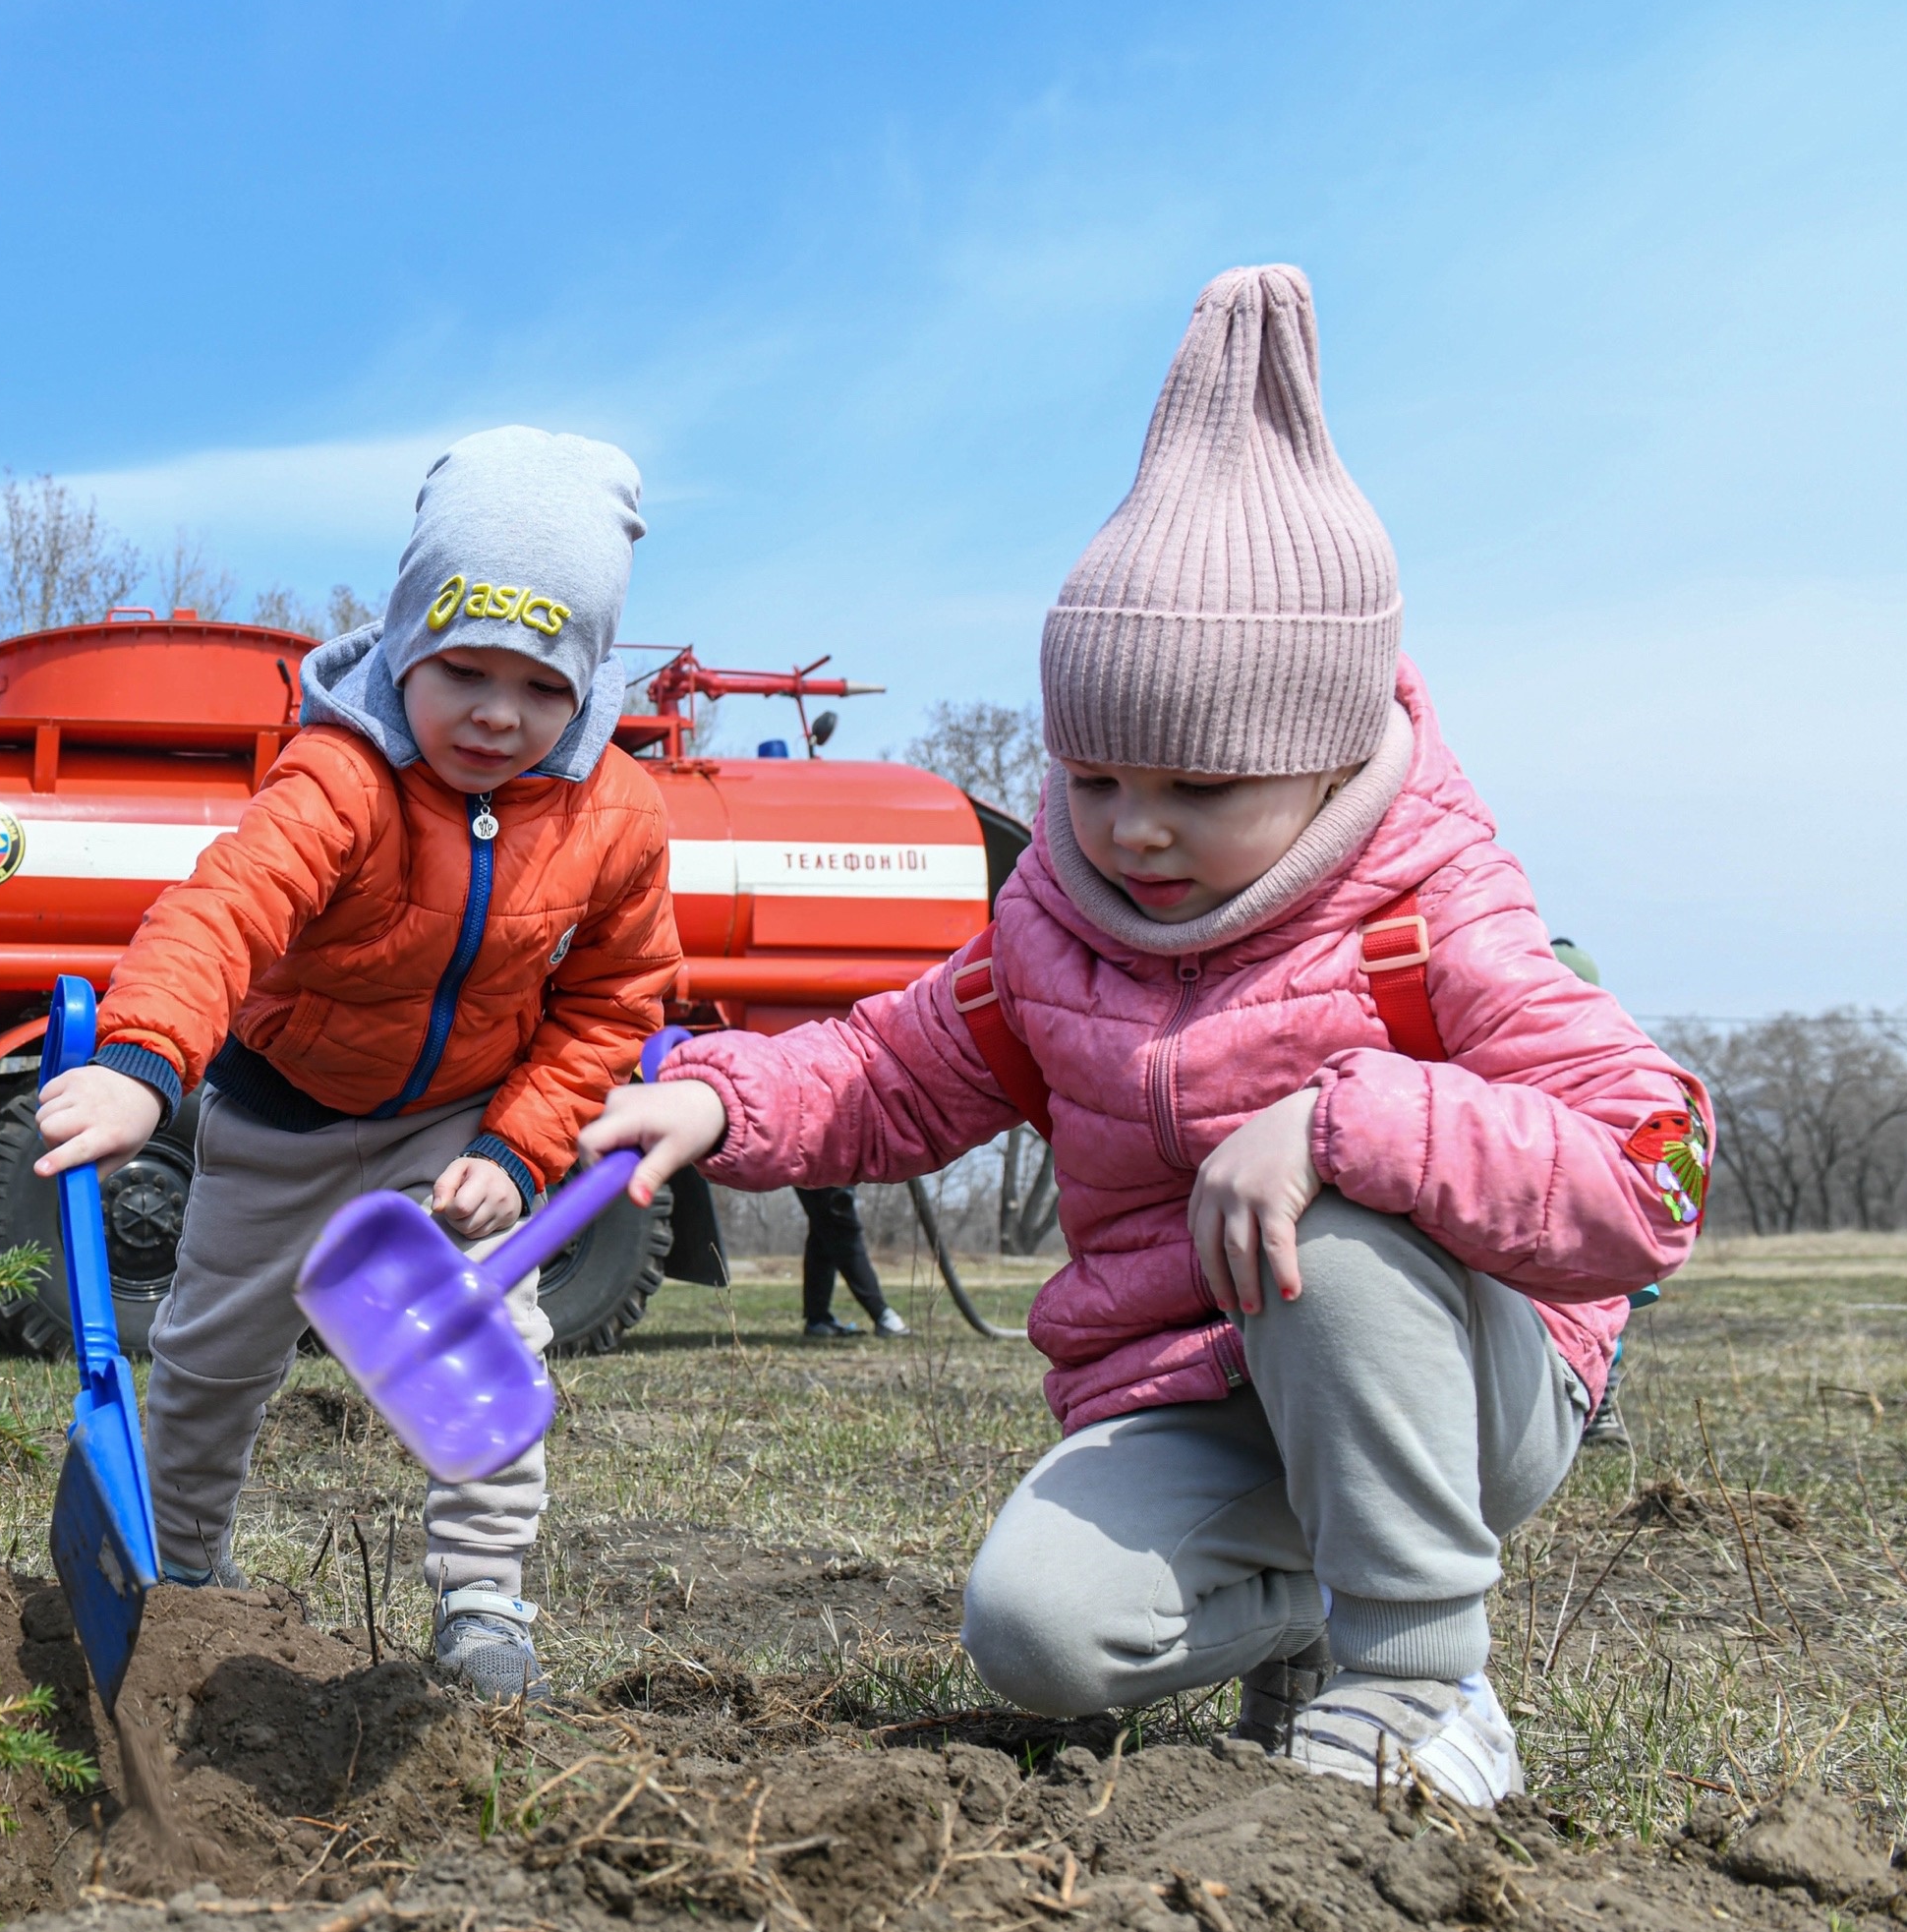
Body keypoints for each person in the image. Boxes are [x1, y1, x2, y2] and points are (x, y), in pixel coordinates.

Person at [580, 267, 1708, 1806]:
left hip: (1458, 1389)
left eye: (1198, 787)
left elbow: (1656, 1168)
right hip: (1194, 1394)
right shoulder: (1052, 922)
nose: (1136, 829)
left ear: (1319, 761)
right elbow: (893, 1067)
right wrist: (714, 1101)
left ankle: (1419, 1682)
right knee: (1037, 1634)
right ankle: (1316, 1608)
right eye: (1099, 778)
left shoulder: (1431, 917)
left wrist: (1337, 1126)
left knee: (1344, 1226)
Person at [34, 427, 679, 1699]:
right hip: (278, 1121)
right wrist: (142, 1063)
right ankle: (181, 1587)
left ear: (591, 685)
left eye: (544, 687)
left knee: (487, 1343)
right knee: (213, 1356)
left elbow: (613, 1005)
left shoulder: (615, 819)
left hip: (453, 1127)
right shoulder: (340, 777)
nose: (498, 714)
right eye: (464, 671)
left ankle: (486, 1603)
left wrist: (515, 1148)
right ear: (400, 648)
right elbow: (227, 910)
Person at [795, 1187, 909, 1338]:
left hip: (825, 1165)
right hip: (824, 1164)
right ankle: (882, 1315)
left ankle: (818, 1319)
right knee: (839, 1219)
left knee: (823, 1227)